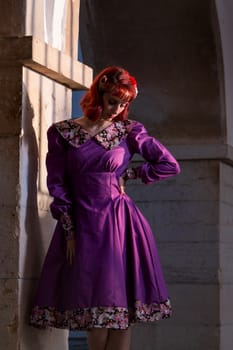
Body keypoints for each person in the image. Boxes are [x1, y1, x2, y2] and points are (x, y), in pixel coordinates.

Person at [30, 66, 180, 350]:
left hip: (120, 222)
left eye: (124, 103)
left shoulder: (129, 131)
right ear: (97, 94)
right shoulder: (62, 133)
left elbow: (169, 164)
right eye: (113, 101)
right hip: (83, 223)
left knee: (120, 313)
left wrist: (130, 175)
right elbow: (57, 184)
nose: (118, 109)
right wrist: (69, 230)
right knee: (93, 311)